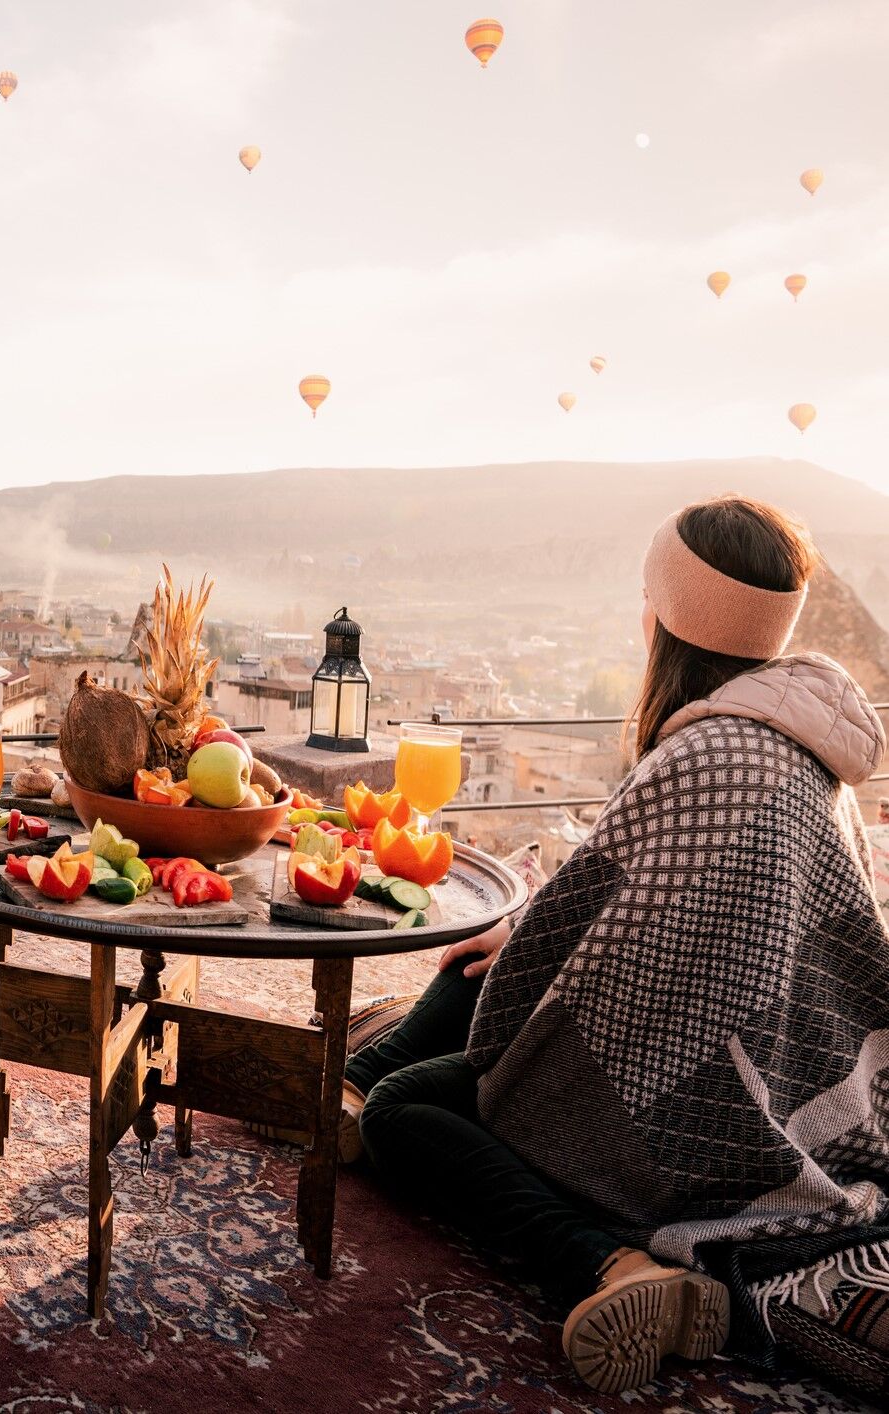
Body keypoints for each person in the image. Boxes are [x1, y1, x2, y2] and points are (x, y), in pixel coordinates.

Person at [344, 495, 889, 1397]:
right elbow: (609, 924)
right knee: (496, 957)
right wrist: (525, 939)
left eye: (648, 591)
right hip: (793, 1074)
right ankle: (353, 1083)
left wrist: (531, 953)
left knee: (407, 1109)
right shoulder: (808, 748)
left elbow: (596, 972)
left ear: (674, 615)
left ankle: (610, 1266)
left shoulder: (704, 756)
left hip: (684, 1112)